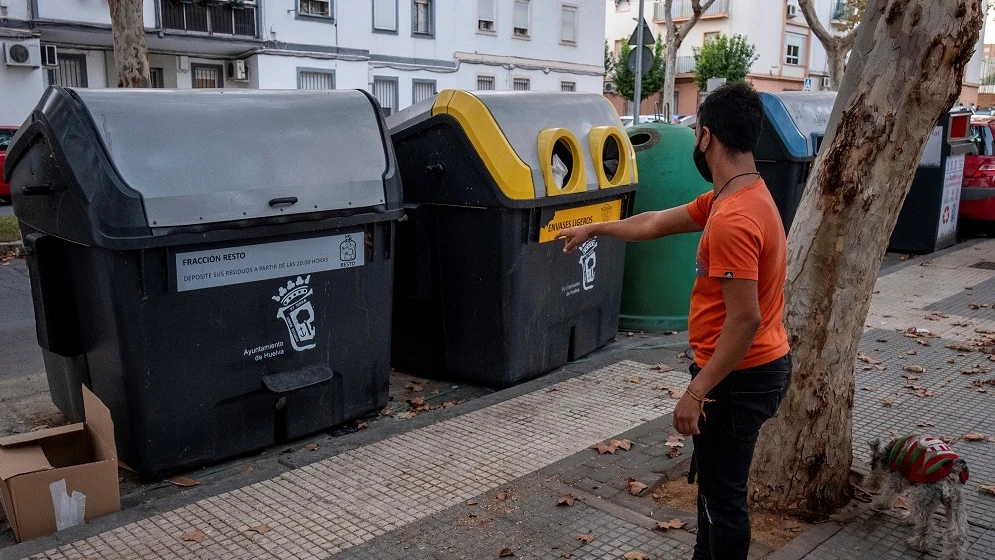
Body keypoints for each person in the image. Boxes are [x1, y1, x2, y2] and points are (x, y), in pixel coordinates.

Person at [556, 82, 791, 560]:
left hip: (738, 378)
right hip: (751, 371)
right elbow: (657, 222)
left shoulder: (733, 218)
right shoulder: (739, 196)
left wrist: (696, 390)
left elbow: (745, 320)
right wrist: (595, 227)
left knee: (721, 505)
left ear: (704, 137)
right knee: (716, 497)